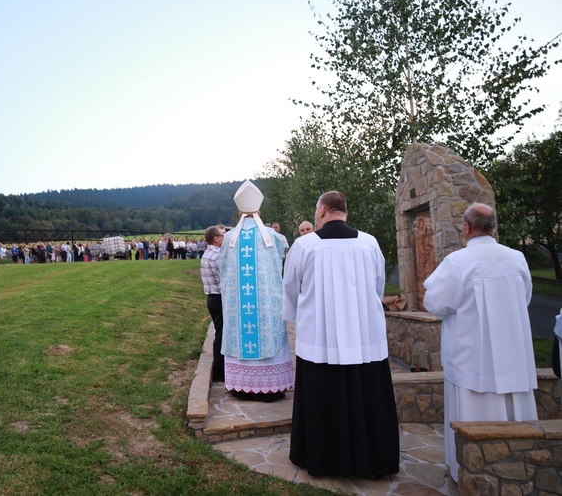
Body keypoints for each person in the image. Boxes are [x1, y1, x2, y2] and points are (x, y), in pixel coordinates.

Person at [282, 190, 399, 479]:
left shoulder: (305, 245)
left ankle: (322, 459)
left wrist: (302, 314)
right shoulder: (369, 243)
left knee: (322, 398)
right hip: (363, 337)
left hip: (319, 337)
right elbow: (377, 286)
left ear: (321, 210)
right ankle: (372, 459)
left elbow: (290, 289)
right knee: (366, 396)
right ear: (344, 211)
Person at [423, 202, 537, 482]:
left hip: (472, 357)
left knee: (472, 413)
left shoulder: (458, 262)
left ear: (466, 228)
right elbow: (526, 298)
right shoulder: (517, 258)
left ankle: (469, 471)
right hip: (514, 354)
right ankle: (522, 469)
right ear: (493, 226)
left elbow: (436, 302)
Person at [219, 180, 294, 402]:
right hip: (266, 305)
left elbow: (222, 269)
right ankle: (272, 388)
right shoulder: (275, 237)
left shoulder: (229, 238)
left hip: (238, 306)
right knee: (269, 336)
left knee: (241, 336)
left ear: (239, 211)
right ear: (259, 210)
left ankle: (241, 387)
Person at [200, 225, 225, 382]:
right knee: (222, 335)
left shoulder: (208, 254)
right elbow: (225, 279)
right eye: (222, 235)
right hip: (219, 297)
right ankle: (219, 372)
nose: (224, 238)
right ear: (216, 238)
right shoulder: (216, 256)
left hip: (212, 297)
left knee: (219, 333)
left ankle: (220, 369)